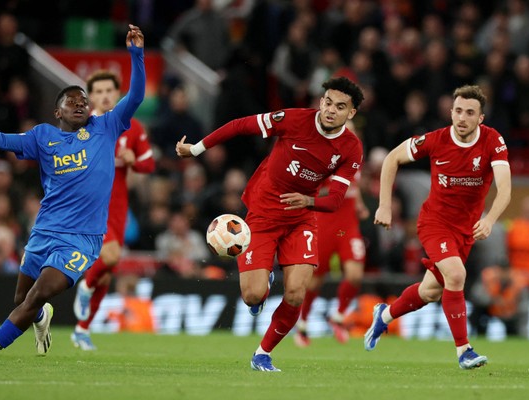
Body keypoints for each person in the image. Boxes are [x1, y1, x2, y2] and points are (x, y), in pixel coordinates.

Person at [0, 24, 146, 365]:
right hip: (44, 232)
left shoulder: (107, 127)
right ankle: (42, 317)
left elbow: (135, 97)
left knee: (40, 292)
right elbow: (1, 140)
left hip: (82, 240)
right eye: (72, 101)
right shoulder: (42, 137)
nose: (81, 104)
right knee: (23, 299)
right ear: (57, 112)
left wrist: (136, 55)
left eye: (84, 101)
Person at [176, 76, 364, 372]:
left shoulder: (351, 147)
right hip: (263, 215)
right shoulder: (293, 120)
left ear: (350, 114)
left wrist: (308, 202)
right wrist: (197, 149)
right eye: (327, 102)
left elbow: (337, 199)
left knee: (296, 293)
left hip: (302, 219)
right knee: (253, 294)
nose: (330, 110)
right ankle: (264, 285)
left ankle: (262, 353)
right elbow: (240, 125)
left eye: (340, 107)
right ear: (320, 100)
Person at [365, 85, 511, 369]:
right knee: (456, 275)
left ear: (481, 117)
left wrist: (490, 219)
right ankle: (464, 351)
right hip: (435, 223)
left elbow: (505, 187)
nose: (462, 118)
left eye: (470, 112)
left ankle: (383, 316)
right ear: (451, 112)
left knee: (430, 291)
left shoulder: (493, 140)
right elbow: (392, 158)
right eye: (458, 111)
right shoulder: (436, 140)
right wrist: (384, 204)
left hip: (465, 230)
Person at [72, 69, 155, 351]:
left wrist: (133, 160)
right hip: (89, 199)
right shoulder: (81, 125)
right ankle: (84, 287)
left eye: (110, 90)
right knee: (110, 256)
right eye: (99, 91)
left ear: (118, 94)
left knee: (106, 271)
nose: (105, 95)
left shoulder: (134, 127)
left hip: (117, 199)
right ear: (90, 97)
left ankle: (82, 330)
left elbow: (149, 164)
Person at [294, 169, 368, 346]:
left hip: (348, 227)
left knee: (355, 275)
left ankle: (338, 317)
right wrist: (336, 188)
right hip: (324, 225)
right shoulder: (324, 161)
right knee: (314, 281)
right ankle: (302, 324)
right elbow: (310, 192)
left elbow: (354, 187)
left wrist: (359, 204)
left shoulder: (355, 160)